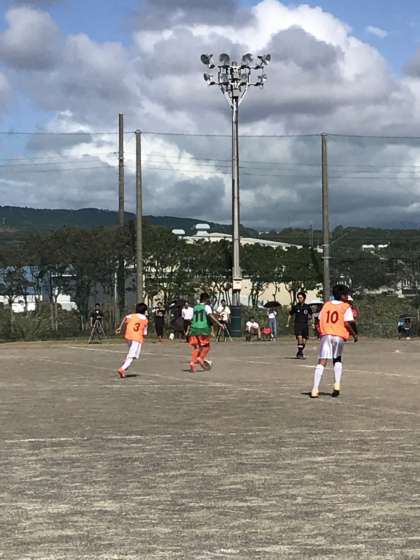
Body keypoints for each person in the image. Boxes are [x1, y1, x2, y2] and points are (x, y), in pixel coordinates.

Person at [310, 284, 358, 399]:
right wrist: (354, 334)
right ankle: (337, 385)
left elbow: (319, 319)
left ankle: (315, 389)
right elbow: (347, 323)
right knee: (337, 359)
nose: (347, 296)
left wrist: (319, 331)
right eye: (346, 294)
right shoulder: (346, 306)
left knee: (322, 361)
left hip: (326, 335)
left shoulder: (326, 305)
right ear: (342, 296)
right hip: (339, 335)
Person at [188, 292, 223, 373]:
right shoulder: (206, 307)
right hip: (202, 329)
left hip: (194, 329)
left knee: (196, 347)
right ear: (205, 299)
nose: (208, 301)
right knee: (207, 346)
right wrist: (219, 324)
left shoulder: (195, 307)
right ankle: (200, 358)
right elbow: (210, 316)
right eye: (208, 299)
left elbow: (191, 319)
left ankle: (192, 363)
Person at [115, 302, 148, 379]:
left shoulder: (131, 315)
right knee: (132, 355)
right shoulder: (145, 319)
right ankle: (122, 368)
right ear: (144, 311)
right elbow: (144, 333)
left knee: (131, 353)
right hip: (137, 338)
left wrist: (120, 327)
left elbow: (125, 318)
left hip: (128, 336)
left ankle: (125, 366)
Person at [287, 291, 313, 359]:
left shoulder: (307, 307)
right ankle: (300, 354)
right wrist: (288, 323)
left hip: (305, 325)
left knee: (304, 342)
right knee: (299, 339)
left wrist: (312, 322)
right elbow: (290, 314)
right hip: (298, 325)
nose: (299, 299)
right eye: (298, 298)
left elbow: (311, 314)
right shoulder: (296, 307)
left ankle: (299, 352)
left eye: (301, 298)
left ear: (304, 298)